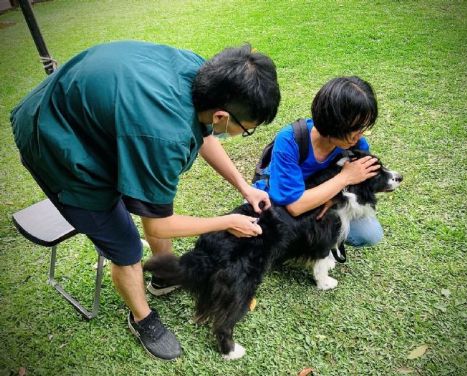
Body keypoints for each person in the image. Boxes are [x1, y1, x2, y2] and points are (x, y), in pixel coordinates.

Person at [10, 41, 280, 360]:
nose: (245, 133)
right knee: (126, 247)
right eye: (247, 129)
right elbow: (161, 225)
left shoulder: (205, 76)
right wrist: (227, 221)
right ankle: (142, 318)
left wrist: (243, 187)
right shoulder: (163, 135)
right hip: (53, 135)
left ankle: (163, 275)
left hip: (87, 109)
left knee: (155, 200)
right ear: (223, 115)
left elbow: (205, 133)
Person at [253, 76, 382, 248]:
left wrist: (335, 199)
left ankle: (307, 241)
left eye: (363, 127)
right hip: (277, 201)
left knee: (369, 233)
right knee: (260, 235)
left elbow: (364, 186)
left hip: (321, 197)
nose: (360, 135)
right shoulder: (290, 140)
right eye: (355, 128)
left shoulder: (356, 144)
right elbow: (294, 206)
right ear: (334, 123)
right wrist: (345, 178)